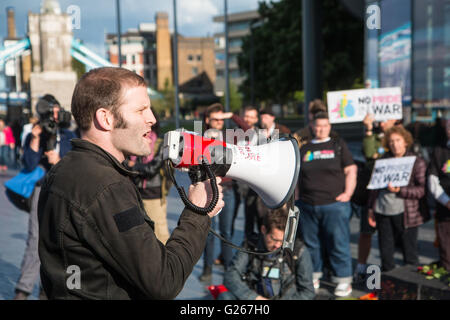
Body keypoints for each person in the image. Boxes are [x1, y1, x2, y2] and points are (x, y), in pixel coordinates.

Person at [37, 67, 224, 300]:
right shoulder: (107, 187)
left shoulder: (63, 170)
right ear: (106, 118)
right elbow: (163, 281)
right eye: (141, 110)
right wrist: (198, 211)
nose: (152, 119)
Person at [14, 94, 77, 300]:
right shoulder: (35, 135)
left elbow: (74, 164)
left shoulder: (68, 136)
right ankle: (23, 290)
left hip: (64, 191)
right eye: (52, 110)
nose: (55, 114)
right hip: (41, 189)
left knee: (61, 241)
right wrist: (34, 138)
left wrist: (58, 160)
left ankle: (46, 288)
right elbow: (29, 165)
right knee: (35, 239)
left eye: (57, 110)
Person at [296, 112, 357, 297]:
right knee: (311, 244)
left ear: (330, 126)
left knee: (338, 243)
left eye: (325, 125)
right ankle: (314, 276)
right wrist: (297, 198)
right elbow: (297, 175)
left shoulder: (338, 145)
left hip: (334, 205)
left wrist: (348, 193)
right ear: (312, 126)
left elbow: (351, 169)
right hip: (308, 205)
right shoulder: (304, 148)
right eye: (318, 125)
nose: (321, 129)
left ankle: (343, 280)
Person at [367, 125, 430, 272]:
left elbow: (422, 190)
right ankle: (388, 287)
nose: (394, 144)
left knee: (410, 253)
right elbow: (374, 188)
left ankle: (412, 288)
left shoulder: (417, 162)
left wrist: (401, 190)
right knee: (385, 252)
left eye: (398, 140)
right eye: (391, 141)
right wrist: (371, 208)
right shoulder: (383, 161)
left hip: (406, 214)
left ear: (405, 142)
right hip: (383, 210)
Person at [219, 206, 315, 300]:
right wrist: (254, 298)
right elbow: (230, 275)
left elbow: (307, 292)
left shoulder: (298, 251)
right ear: (263, 230)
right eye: (274, 239)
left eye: (282, 241)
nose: (277, 245)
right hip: (255, 299)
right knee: (225, 297)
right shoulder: (251, 245)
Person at [353, 115, 397, 280]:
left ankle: (392, 269)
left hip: (394, 194)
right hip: (372, 193)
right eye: (381, 120)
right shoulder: (374, 136)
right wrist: (369, 129)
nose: (383, 122)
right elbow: (370, 153)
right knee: (366, 230)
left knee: (391, 234)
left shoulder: (402, 135)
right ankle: (361, 266)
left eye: (387, 119)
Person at [199, 103, 236, 282]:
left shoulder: (231, 137)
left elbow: (247, 129)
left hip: (227, 189)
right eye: (216, 118)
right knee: (209, 232)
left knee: (227, 232)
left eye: (222, 119)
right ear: (207, 120)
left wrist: (231, 115)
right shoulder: (201, 138)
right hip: (208, 190)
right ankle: (208, 269)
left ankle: (229, 270)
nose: (220, 122)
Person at [125, 118, 171, 244]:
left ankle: (165, 262)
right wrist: (133, 165)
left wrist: (133, 165)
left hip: (153, 194)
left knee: (160, 234)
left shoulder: (160, 143)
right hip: (135, 192)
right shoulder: (133, 142)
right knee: (139, 235)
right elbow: (124, 163)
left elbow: (152, 169)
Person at [428, 118, 450, 271]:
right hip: (445, 209)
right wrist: (446, 201)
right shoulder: (439, 150)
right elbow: (432, 179)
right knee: (446, 251)